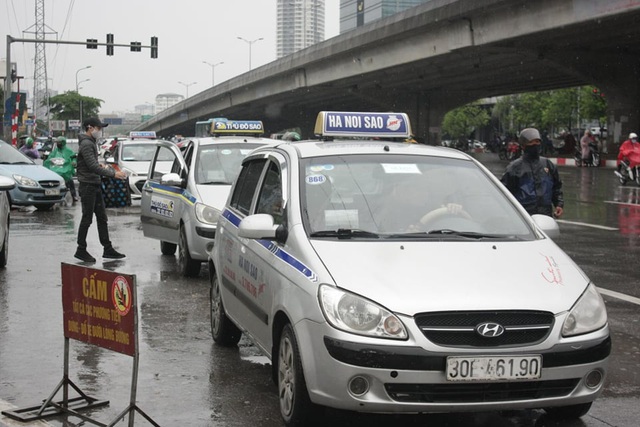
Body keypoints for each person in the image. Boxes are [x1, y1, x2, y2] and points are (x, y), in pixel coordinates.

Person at [74, 117, 127, 262]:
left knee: (102, 218)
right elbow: (92, 166)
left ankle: (107, 248)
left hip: (93, 184)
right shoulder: (86, 143)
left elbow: (91, 164)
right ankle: (81, 249)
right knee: (87, 218)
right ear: (90, 127)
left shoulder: (91, 142)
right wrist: (114, 174)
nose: (100, 131)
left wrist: (103, 166)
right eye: (98, 128)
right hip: (88, 186)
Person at [501, 127, 564, 218]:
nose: (535, 145)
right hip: (523, 214)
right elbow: (505, 191)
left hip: (545, 213)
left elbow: (556, 186)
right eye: (531, 142)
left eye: (537, 142)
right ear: (523, 145)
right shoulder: (514, 167)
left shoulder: (547, 164)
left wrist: (559, 203)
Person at [43, 136, 78, 202]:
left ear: (63, 143)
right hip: (56, 171)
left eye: (59, 142)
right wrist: (47, 162)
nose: (58, 144)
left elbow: (74, 158)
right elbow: (50, 158)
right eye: (57, 143)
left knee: (70, 181)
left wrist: (73, 162)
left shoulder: (69, 151)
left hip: (66, 170)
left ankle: (74, 195)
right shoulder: (55, 151)